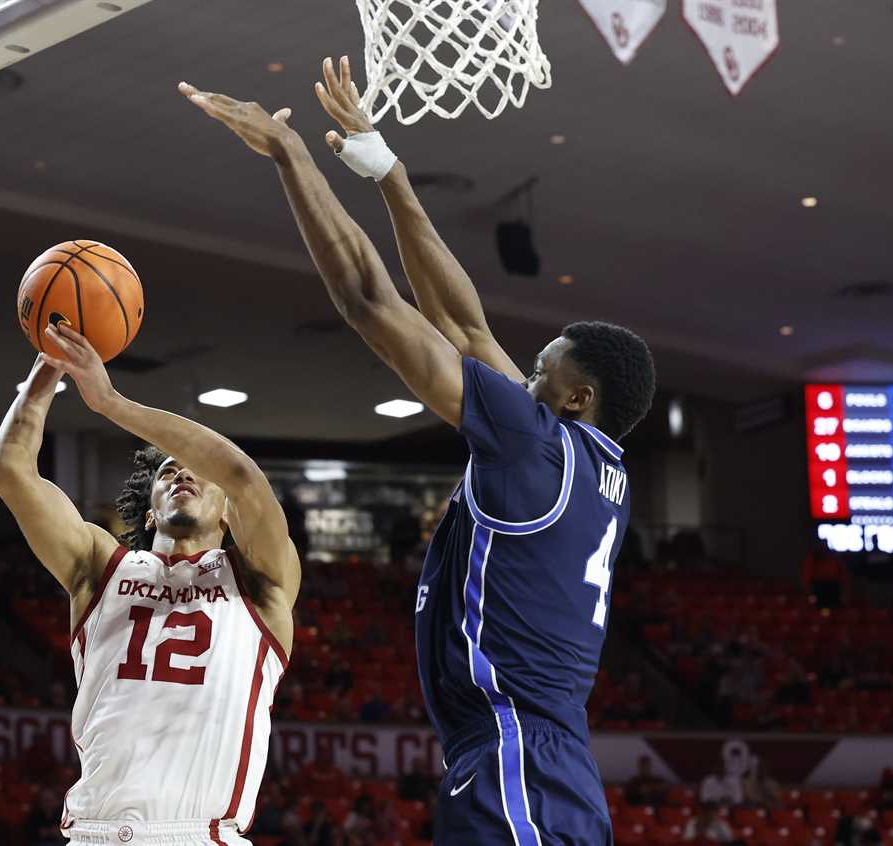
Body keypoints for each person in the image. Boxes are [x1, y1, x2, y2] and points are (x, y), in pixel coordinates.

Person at [182, 55, 655, 846]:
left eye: (542, 370)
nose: (523, 370)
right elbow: (465, 327)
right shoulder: (588, 462)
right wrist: (386, 169)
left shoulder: (536, 447)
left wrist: (291, 157)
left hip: (516, 761)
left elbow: (374, 302)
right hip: (539, 763)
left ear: (577, 398)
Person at [0, 323, 301, 846]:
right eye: (168, 473)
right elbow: (10, 468)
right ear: (150, 513)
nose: (182, 475)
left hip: (201, 835)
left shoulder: (261, 580)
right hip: (93, 832)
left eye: (199, 473)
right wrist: (49, 366)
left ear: (228, 514)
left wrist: (109, 401)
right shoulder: (100, 567)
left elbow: (243, 475)